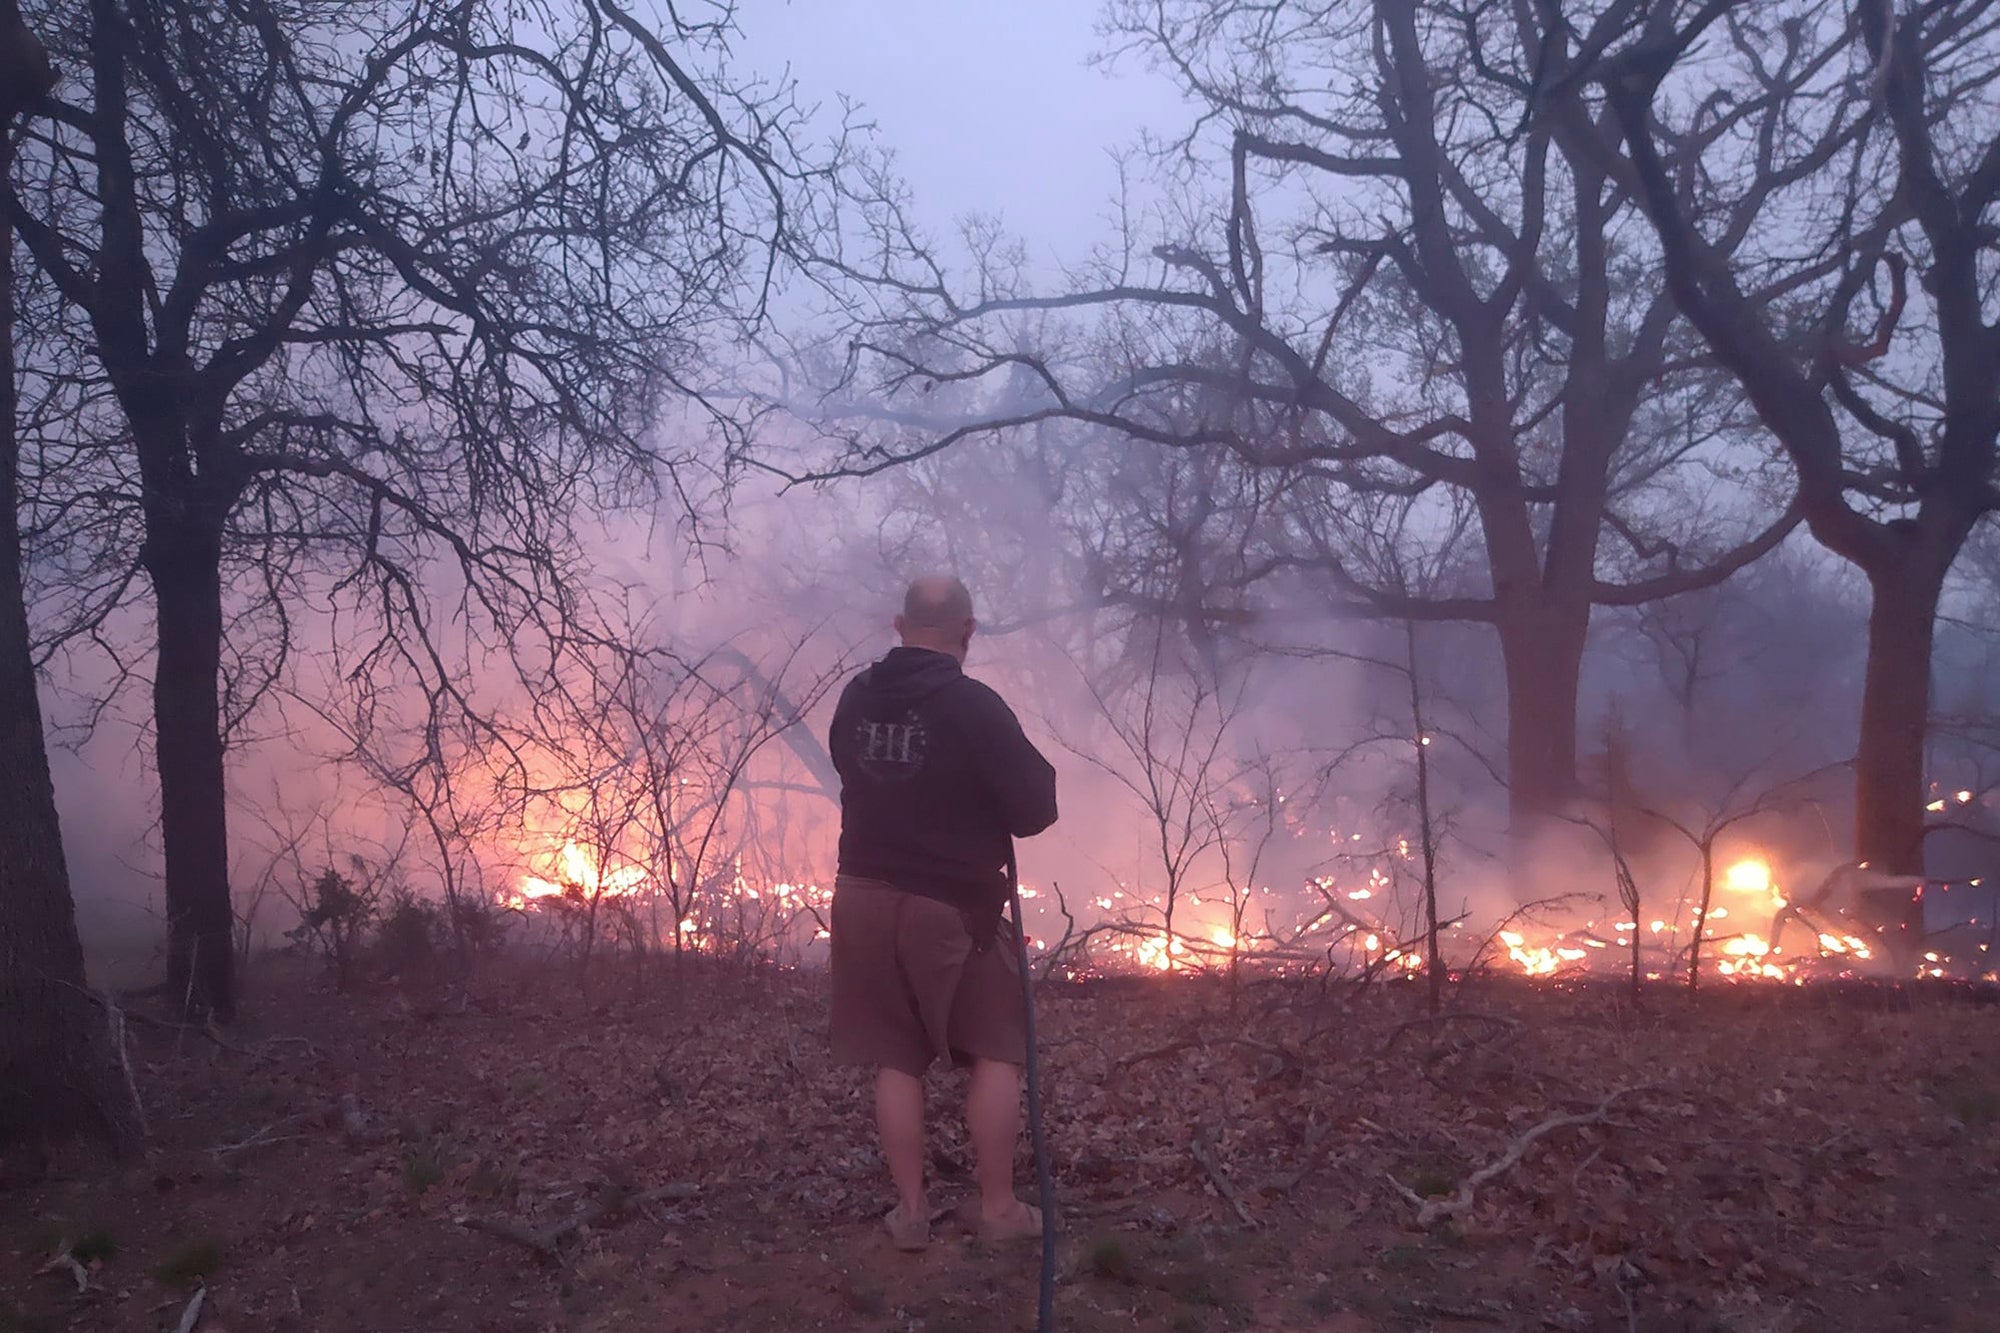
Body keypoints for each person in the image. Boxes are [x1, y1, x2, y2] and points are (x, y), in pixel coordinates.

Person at [827, 575, 1059, 1251]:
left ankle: (910, 1211)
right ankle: (998, 1209)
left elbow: (850, 770)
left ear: (899, 626)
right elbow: (1036, 808)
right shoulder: (974, 706)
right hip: (954, 906)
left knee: (896, 1056)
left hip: (862, 895)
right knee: (996, 1050)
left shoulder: (855, 698)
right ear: (968, 630)